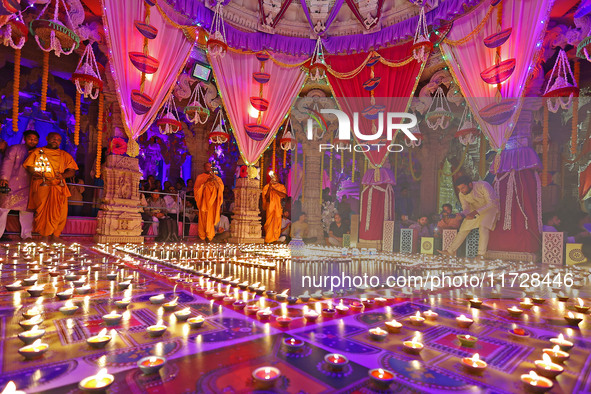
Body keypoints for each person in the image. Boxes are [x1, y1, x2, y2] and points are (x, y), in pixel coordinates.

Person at [23, 132, 78, 242]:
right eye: (53, 138)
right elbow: (29, 167)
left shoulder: (64, 155)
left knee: (61, 212)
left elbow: (72, 171)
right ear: (47, 138)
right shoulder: (38, 152)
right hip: (42, 185)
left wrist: (63, 175)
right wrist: (38, 173)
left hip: (59, 186)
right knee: (43, 210)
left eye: (58, 139)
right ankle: (44, 236)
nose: (55, 141)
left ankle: (56, 235)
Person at [439, 176, 499, 258]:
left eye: (463, 188)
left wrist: (474, 212)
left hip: (490, 209)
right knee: (463, 228)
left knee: (483, 227)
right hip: (475, 211)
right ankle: (450, 251)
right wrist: (462, 215)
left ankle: (481, 254)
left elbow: (491, 203)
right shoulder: (462, 194)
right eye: (459, 189)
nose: (461, 191)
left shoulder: (483, 186)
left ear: (470, 184)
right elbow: (466, 208)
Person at [0, 130, 39, 240]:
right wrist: (4, 178)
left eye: (35, 139)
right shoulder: (15, 148)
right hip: (12, 183)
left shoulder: (38, 152)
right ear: (25, 138)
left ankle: (27, 236)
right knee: (3, 209)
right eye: (30, 138)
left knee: (27, 211)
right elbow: (7, 163)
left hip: (29, 185)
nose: (33, 141)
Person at [194, 162, 224, 242]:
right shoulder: (200, 177)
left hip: (212, 204)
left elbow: (221, 189)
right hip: (204, 202)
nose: (209, 168)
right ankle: (202, 237)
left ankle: (210, 237)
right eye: (207, 166)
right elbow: (197, 190)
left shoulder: (217, 178)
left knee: (210, 220)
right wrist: (206, 182)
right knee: (203, 219)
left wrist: (214, 181)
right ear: (204, 167)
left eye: (210, 167)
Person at [262, 171, 287, 243]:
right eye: (273, 177)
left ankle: (275, 238)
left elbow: (283, 195)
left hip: (278, 208)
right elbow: (266, 198)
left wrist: (274, 190)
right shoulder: (267, 187)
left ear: (278, 178)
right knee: (269, 223)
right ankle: (269, 239)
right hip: (270, 207)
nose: (274, 178)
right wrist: (270, 187)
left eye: (276, 177)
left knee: (277, 223)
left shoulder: (281, 186)